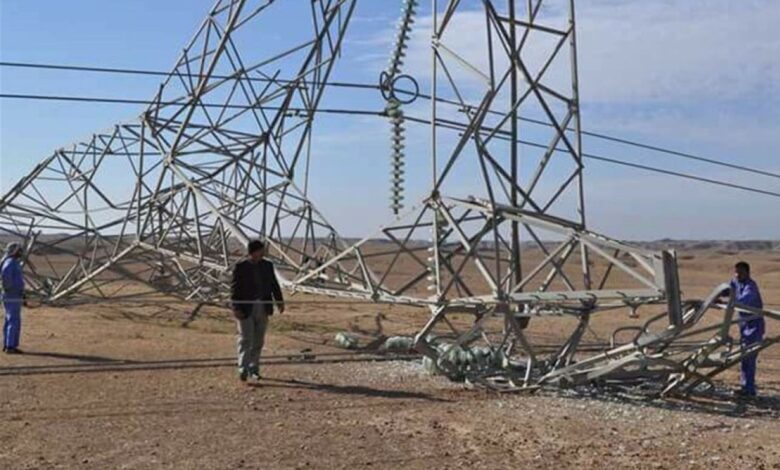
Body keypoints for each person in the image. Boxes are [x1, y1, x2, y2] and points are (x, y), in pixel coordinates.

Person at [231, 240, 284, 382]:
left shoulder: (267, 266)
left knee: (258, 339)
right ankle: (243, 368)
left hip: (263, 306)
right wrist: (236, 308)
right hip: (246, 307)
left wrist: (279, 301)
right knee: (245, 338)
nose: (264, 252)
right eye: (261, 250)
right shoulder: (241, 267)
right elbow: (234, 289)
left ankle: (254, 368)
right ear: (254, 251)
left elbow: (274, 284)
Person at [724, 261, 765, 397]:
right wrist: (717, 295)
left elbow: (743, 300)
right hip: (744, 325)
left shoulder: (750, 287)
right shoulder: (736, 282)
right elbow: (727, 289)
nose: (737, 275)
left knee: (750, 358)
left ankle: (749, 389)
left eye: (740, 272)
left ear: (747, 273)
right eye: (736, 272)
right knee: (743, 358)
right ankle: (745, 387)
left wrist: (730, 302)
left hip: (754, 326)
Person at [1, 242, 25, 354]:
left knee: (11, 319)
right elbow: (6, 277)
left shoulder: (13, 262)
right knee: (13, 320)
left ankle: (8, 344)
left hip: (14, 294)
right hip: (12, 295)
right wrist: (10, 289)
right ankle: (10, 346)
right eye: (19, 250)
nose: (20, 253)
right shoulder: (10, 262)